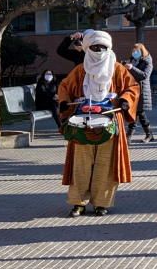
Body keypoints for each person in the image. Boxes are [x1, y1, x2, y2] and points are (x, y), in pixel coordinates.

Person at [57, 30, 140, 217]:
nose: (99, 50)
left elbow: (132, 86)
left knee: (106, 164)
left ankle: (101, 203)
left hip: (109, 123)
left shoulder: (118, 68)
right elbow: (65, 87)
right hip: (82, 124)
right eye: (95, 47)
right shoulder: (80, 70)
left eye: (103, 47)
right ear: (87, 48)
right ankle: (78, 202)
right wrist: (64, 102)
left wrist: (126, 99)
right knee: (81, 164)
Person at [124, 43, 154, 142]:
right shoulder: (133, 60)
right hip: (133, 90)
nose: (134, 53)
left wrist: (132, 68)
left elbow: (144, 75)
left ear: (142, 51)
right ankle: (147, 135)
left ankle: (130, 136)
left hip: (142, 91)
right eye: (133, 51)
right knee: (136, 112)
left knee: (139, 113)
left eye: (136, 51)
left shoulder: (147, 61)